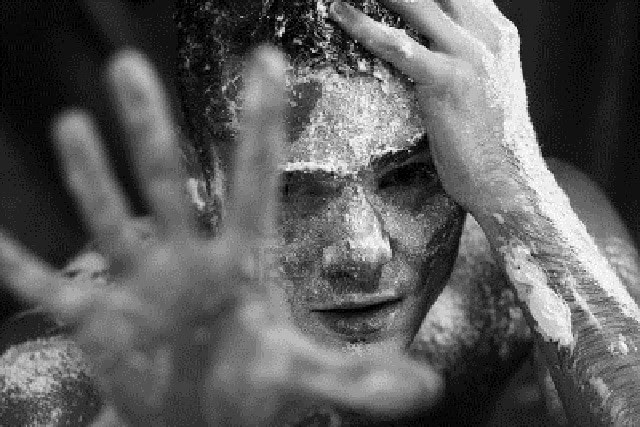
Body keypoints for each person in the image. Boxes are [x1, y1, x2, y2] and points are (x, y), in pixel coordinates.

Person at [1, 0, 640, 425]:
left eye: (409, 175)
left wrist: (517, 195)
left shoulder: (532, 247)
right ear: (204, 179)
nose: (363, 251)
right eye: (295, 190)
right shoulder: (59, 384)